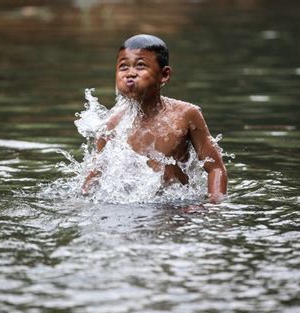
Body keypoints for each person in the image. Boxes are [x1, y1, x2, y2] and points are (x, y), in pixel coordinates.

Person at [83, 34, 227, 203]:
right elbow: (94, 175)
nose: (130, 74)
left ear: (164, 75)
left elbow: (215, 168)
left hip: (178, 206)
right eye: (123, 67)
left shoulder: (185, 115)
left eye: (140, 66)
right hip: (129, 208)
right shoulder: (112, 123)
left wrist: (214, 207)